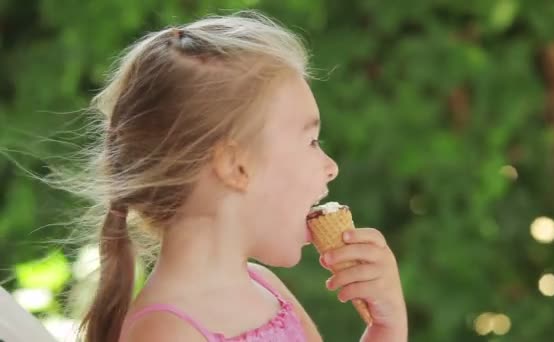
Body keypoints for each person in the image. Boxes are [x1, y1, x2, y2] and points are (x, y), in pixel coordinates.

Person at [74, 10, 408, 342]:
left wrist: (387, 327)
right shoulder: (166, 333)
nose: (331, 166)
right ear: (236, 166)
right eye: (311, 141)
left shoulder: (264, 287)